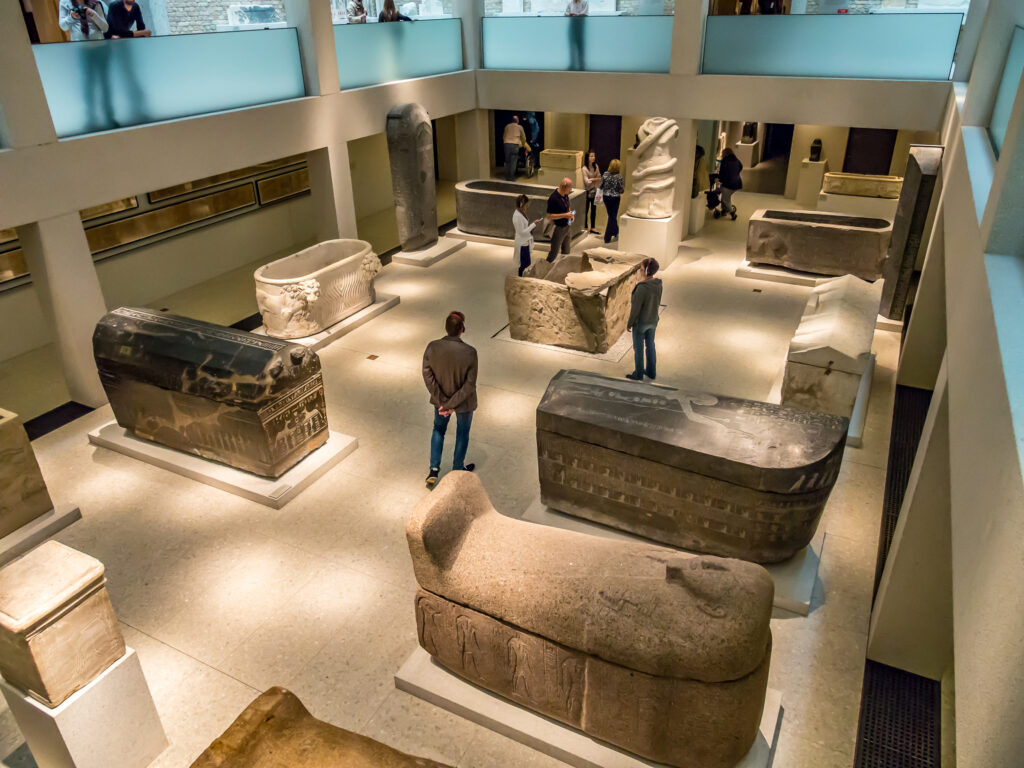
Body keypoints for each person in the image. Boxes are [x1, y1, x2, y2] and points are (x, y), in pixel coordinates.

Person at [422, 311, 478, 487]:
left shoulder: (432, 347)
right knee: (462, 433)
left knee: (438, 430)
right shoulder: (470, 352)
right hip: (464, 404)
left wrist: (442, 402)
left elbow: (427, 375)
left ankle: (434, 469)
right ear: (462, 329)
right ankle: (456, 469)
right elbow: (469, 385)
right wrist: (452, 404)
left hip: (440, 402)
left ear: (446, 328)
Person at [626, 258, 662, 382]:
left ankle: (639, 373)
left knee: (638, 348)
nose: (640, 272)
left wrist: (629, 323)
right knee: (650, 345)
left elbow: (635, 309)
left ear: (646, 271)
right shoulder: (658, 284)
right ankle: (651, 372)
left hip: (641, 323)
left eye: (641, 269)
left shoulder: (642, 288)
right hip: (653, 320)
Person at [545, 178, 575, 262]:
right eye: (570, 187)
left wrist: (571, 214)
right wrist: (565, 215)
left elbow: (567, 207)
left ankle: (563, 267)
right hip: (558, 228)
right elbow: (549, 216)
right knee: (554, 253)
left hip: (567, 226)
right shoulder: (553, 198)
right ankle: (544, 269)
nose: (570, 190)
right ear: (564, 187)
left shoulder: (565, 195)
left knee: (566, 250)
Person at [512, 194, 542, 277]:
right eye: (527, 204)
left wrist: (533, 224)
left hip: (525, 241)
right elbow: (521, 232)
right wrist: (533, 224)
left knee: (526, 263)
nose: (528, 206)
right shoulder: (517, 216)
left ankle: (523, 278)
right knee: (523, 264)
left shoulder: (521, 212)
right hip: (522, 243)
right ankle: (521, 279)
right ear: (522, 204)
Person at [600, 158, 624, 243]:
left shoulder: (605, 174)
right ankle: (607, 237)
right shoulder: (619, 177)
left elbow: (601, 186)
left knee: (611, 216)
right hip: (615, 198)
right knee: (612, 216)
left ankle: (616, 231)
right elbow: (621, 190)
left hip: (606, 197)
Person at [717, 147, 743, 221]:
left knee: (726, 199)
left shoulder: (725, 160)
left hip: (728, 184)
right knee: (726, 197)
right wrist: (735, 173)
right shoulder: (736, 159)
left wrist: (719, 179)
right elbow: (741, 167)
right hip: (737, 183)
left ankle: (732, 214)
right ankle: (724, 210)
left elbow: (722, 172)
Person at [503, 116, 528, 181]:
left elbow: (504, 135)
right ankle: (511, 177)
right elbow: (523, 137)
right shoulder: (520, 127)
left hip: (507, 144)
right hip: (515, 145)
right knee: (513, 162)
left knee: (507, 161)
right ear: (517, 121)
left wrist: (505, 142)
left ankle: (507, 176)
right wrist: (523, 144)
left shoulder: (507, 126)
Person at [565, 0, 589, 71]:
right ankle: (572, 65)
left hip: (580, 26)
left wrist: (575, 14)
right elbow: (566, 13)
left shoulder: (584, 2)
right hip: (571, 25)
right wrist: (569, 14)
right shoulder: (570, 3)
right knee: (571, 46)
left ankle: (582, 66)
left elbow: (585, 13)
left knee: (580, 46)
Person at [581, 150, 601, 235]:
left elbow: (600, 177)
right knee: (585, 210)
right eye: (591, 156)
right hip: (587, 191)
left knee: (594, 210)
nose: (593, 158)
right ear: (587, 158)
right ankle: (585, 226)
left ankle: (593, 227)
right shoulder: (584, 168)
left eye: (594, 156)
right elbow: (587, 182)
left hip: (595, 191)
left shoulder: (595, 166)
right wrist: (595, 179)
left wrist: (592, 180)